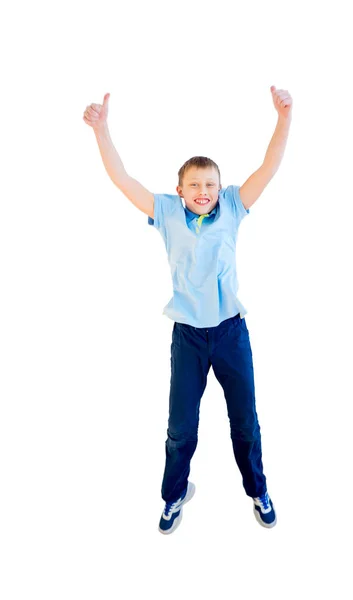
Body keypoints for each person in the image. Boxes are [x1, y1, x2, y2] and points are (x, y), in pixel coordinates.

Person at [83, 86, 293, 534]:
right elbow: (123, 180)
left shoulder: (234, 206)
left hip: (232, 333)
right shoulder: (166, 211)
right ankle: (175, 494)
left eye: (210, 184)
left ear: (221, 188)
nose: (203, 191)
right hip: (189, 338)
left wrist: (284, 116)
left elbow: (269, 166)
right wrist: (102, 130)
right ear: (180, 190)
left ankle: (258, 489)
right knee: (180, 428)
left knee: (246, 423)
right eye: (194, 185)